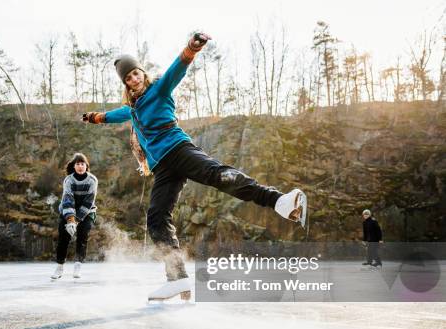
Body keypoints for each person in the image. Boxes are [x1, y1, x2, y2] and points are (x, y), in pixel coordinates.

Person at [82, 33, 307, 300]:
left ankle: (280, 201)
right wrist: (95, 117)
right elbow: (114, 115)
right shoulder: (133, 109)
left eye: (135, 73)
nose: (134, 79)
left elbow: (176, 70)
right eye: (128, 78)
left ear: (142, 72)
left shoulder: (159, 89)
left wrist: (191, 49)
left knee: (219, 175)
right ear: (126, 84)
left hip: (179, 149)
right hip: (163, 169)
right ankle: (177, 279)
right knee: (156, 219)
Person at [51, 153, 98, 280]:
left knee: (83, 235)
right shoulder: (69, 180)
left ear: (86, 166)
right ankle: (59, 267)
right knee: (63, 237)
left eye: (82, 164)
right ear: (74, 166)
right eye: (78, 164)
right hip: (67, 211)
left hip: (87, 212)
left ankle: (78, 265)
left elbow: (89, 202)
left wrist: (76, 221)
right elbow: (68, 200)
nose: (80, 166)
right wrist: (70, 219)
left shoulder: (92, 180)